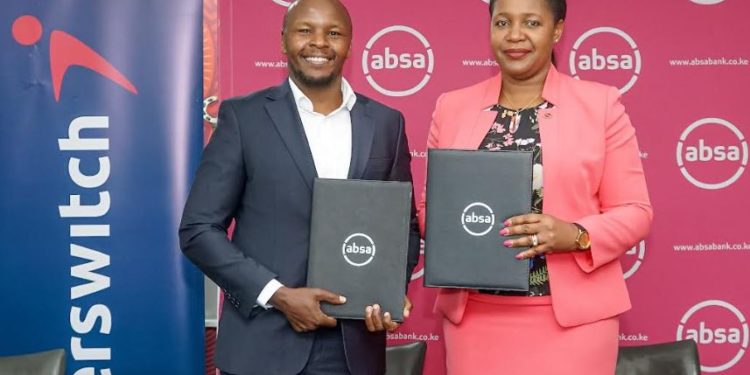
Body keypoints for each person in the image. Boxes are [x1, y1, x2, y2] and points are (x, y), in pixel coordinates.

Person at [179, 0, 420, 374]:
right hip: (262, 346)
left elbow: (403, 226)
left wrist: (384, 293)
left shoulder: (387, 123)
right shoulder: (245, 118)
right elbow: (198, 229)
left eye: (333, 33)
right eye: (305, 30)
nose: (319, 43)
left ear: (350, 44)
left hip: (353, 350)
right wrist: (277, 295)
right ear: (283, 41)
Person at [417, 0, 652, 373]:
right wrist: (463, 228)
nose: (515, 35)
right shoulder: (452, 107)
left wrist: (575, 234)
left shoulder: (601, 104)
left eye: (531, 22)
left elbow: (636, 212)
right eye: (503, 22)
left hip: (575, 324)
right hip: (475, 318)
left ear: (556, 30)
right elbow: (432, 211)